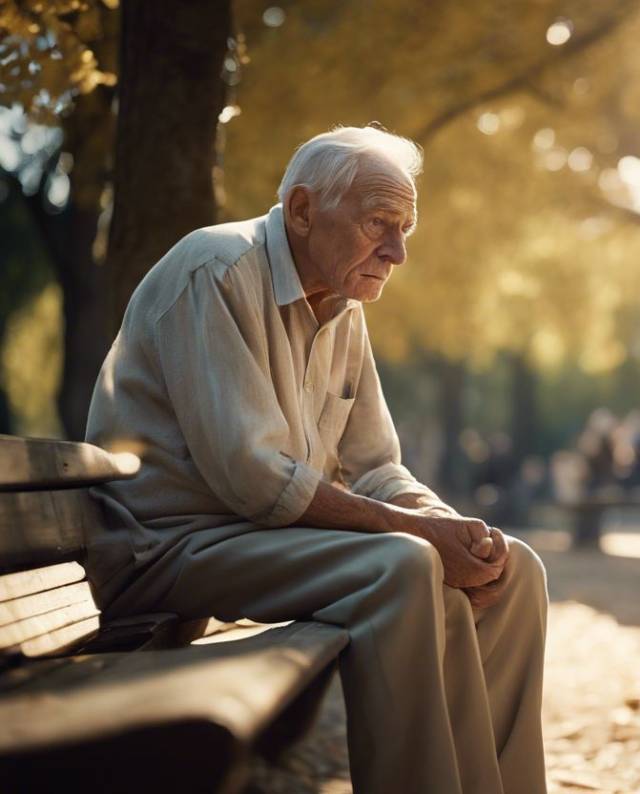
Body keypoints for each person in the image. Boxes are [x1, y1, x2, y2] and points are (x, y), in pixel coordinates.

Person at [84, 125, 549, 794]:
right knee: (403, 565)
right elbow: (255, 478)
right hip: (164, 548)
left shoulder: (343, 306)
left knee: (514, 570)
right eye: (378, 223)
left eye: (405, 229)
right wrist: (422, 535)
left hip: (253, 538)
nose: (397, 252)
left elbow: (376, 465)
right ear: (302, 210)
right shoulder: (215, 270)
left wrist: (456, 531)